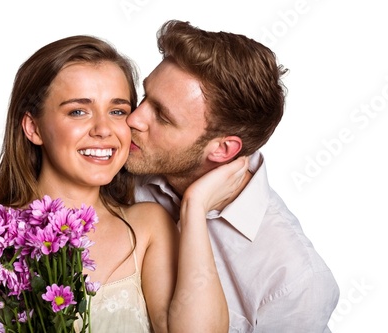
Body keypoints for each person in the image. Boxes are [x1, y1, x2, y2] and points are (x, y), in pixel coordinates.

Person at [0, 35, 239, 332]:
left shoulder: (148, 228)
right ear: (33, 127)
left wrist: (195, 206)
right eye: (78, 111)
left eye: (117, 110)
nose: (104, 129)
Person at [125, 20, 340, 332]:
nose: (133, 118)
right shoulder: (122, 169)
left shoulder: (294, 279)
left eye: (161, 116)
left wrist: (193, 206)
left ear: (223, 149)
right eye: (145, 97)